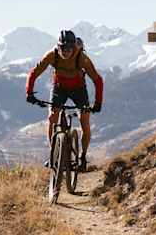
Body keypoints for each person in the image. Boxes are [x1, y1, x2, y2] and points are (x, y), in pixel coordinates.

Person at [26, 30, 104, 171]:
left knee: (84, 121)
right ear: (58, 46)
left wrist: (97, 103)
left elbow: (98, 80)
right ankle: (54, 154)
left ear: (74, 47)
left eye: (69, 49)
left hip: (79, 90)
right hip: (59, 88)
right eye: (63, 48)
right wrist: (29, 93)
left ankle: (83, 157)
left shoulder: (82, 58)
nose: (66, 52)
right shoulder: (52, 55)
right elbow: (34, 73)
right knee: (52, 118)